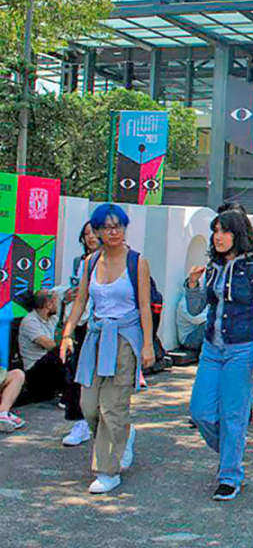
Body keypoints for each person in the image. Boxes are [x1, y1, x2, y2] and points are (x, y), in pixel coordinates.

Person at [60, 204, 156, 494]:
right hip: (96, 337)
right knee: (88, 406)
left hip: (125, 338)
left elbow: (144, 306)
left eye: (119, 226)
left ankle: (108, 470)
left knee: (111, 407)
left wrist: (148, 345)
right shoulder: (90, 262)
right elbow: (80, 301)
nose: (114, 232)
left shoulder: (137, 262)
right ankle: (123, 435)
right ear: (97, 231)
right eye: (107, 227)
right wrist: (67, 333)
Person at [185, 208, 253, 501]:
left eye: (224, 231)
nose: (218, 237)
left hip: (243, 349)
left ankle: (230, 475)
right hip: (212, 348)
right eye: (215, 231)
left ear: (239, 234)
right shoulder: (212, 267)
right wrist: (192, 285)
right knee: (201, 412)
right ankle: (230, 453)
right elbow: (198, 309)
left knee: (233, 415)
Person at [61, 222, 102, 447]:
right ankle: (80, 422)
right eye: (85, 233)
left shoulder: (115, 260)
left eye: (94, 232)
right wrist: (69, 295)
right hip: (82, 323)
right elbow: (75, 292)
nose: (90, 237)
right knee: (78, 371)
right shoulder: (80, 262)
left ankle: (105, 423)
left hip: (105, 324)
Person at [15, 290, 66, 406]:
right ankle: (67, 397)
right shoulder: (30, 321)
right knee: (58, 354)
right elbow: (49, 345)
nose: (57, 305)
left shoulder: (52, 319)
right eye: (55, 302)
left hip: (47, 367)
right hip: (34, 370)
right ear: (48, 305)